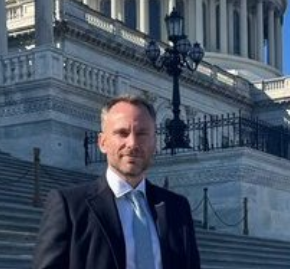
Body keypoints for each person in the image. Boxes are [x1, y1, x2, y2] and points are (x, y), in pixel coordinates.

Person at [32, 95, 201, 269]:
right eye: (122, 133)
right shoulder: (70, 207)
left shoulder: (177, 207)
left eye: (142, 134)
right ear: (102, 142)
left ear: (154, 143)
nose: (132, 143)